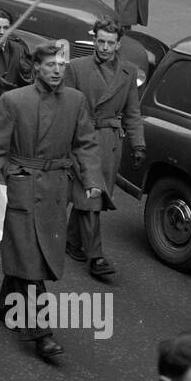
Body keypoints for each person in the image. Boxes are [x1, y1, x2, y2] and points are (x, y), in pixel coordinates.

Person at [0, 41, 104, 362]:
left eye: (61, 65)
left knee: (31, 256)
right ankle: (41, 333)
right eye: (50, 65)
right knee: (31, 260)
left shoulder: (75, 101)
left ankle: (4, 307)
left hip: (55, 192)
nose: (56, 71)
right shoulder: (13, 101)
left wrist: (92, 181)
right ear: (36, 67)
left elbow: (86, 144)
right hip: (20, 188)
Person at [64, 19, 145, 281]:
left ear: (118, 44)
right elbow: (64, 108)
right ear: (94, 40)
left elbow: (132, 112)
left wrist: (138, 144)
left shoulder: (128, 73)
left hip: (110, 143)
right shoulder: (76, 68)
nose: (105, 47)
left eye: (110, 43)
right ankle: (95, 256)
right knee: (91, 196)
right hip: (83, 139)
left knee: (88, 196)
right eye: (100, 41)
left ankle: (72, 242)